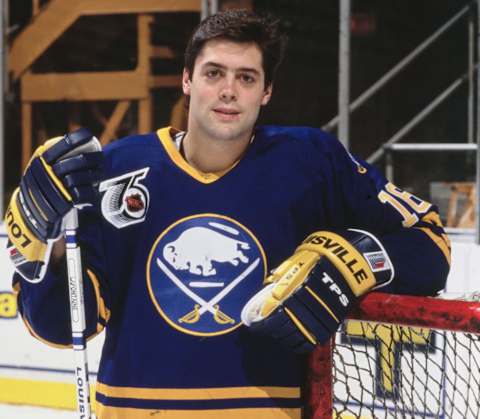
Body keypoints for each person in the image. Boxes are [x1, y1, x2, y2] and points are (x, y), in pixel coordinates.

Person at [5, 9, 450, 419]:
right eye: (214, 73)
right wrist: (50, 247)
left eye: (247, 77)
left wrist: (353, 262)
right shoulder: (118, 170)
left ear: (267, 91)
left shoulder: (311, 163)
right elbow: (62, 329)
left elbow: (429, 245)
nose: (228, 90)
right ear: (187, 80)